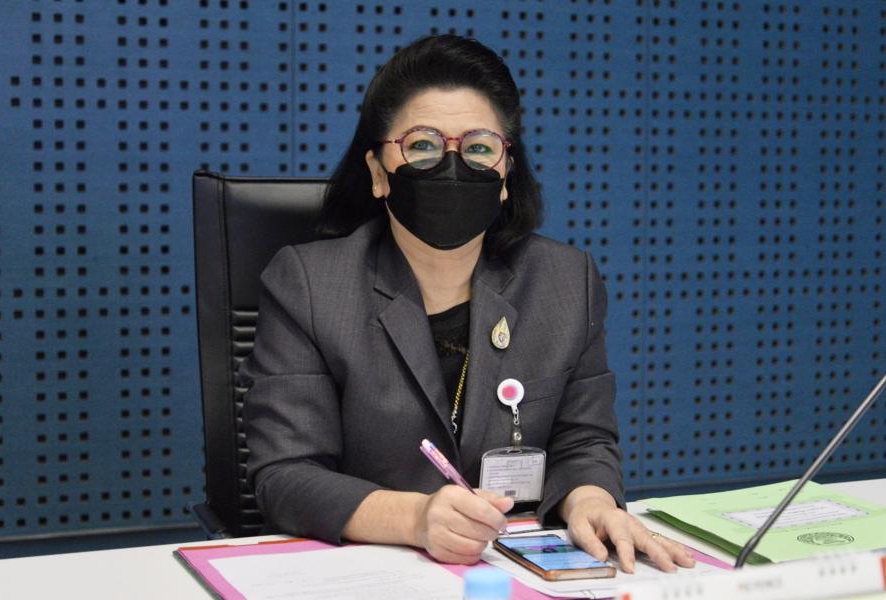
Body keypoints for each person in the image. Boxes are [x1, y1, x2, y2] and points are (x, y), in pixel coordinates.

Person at [240, 34, 694, 572]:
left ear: (505, 175)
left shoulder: (565, 281)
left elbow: (583, 441)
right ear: (379, 172)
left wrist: (590, 502)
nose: (451, 166)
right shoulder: (310, 284)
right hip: (371, 570)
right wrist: (414, 518)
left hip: (511, 569)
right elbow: (285, 474)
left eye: (479, 148)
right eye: (423, 146)